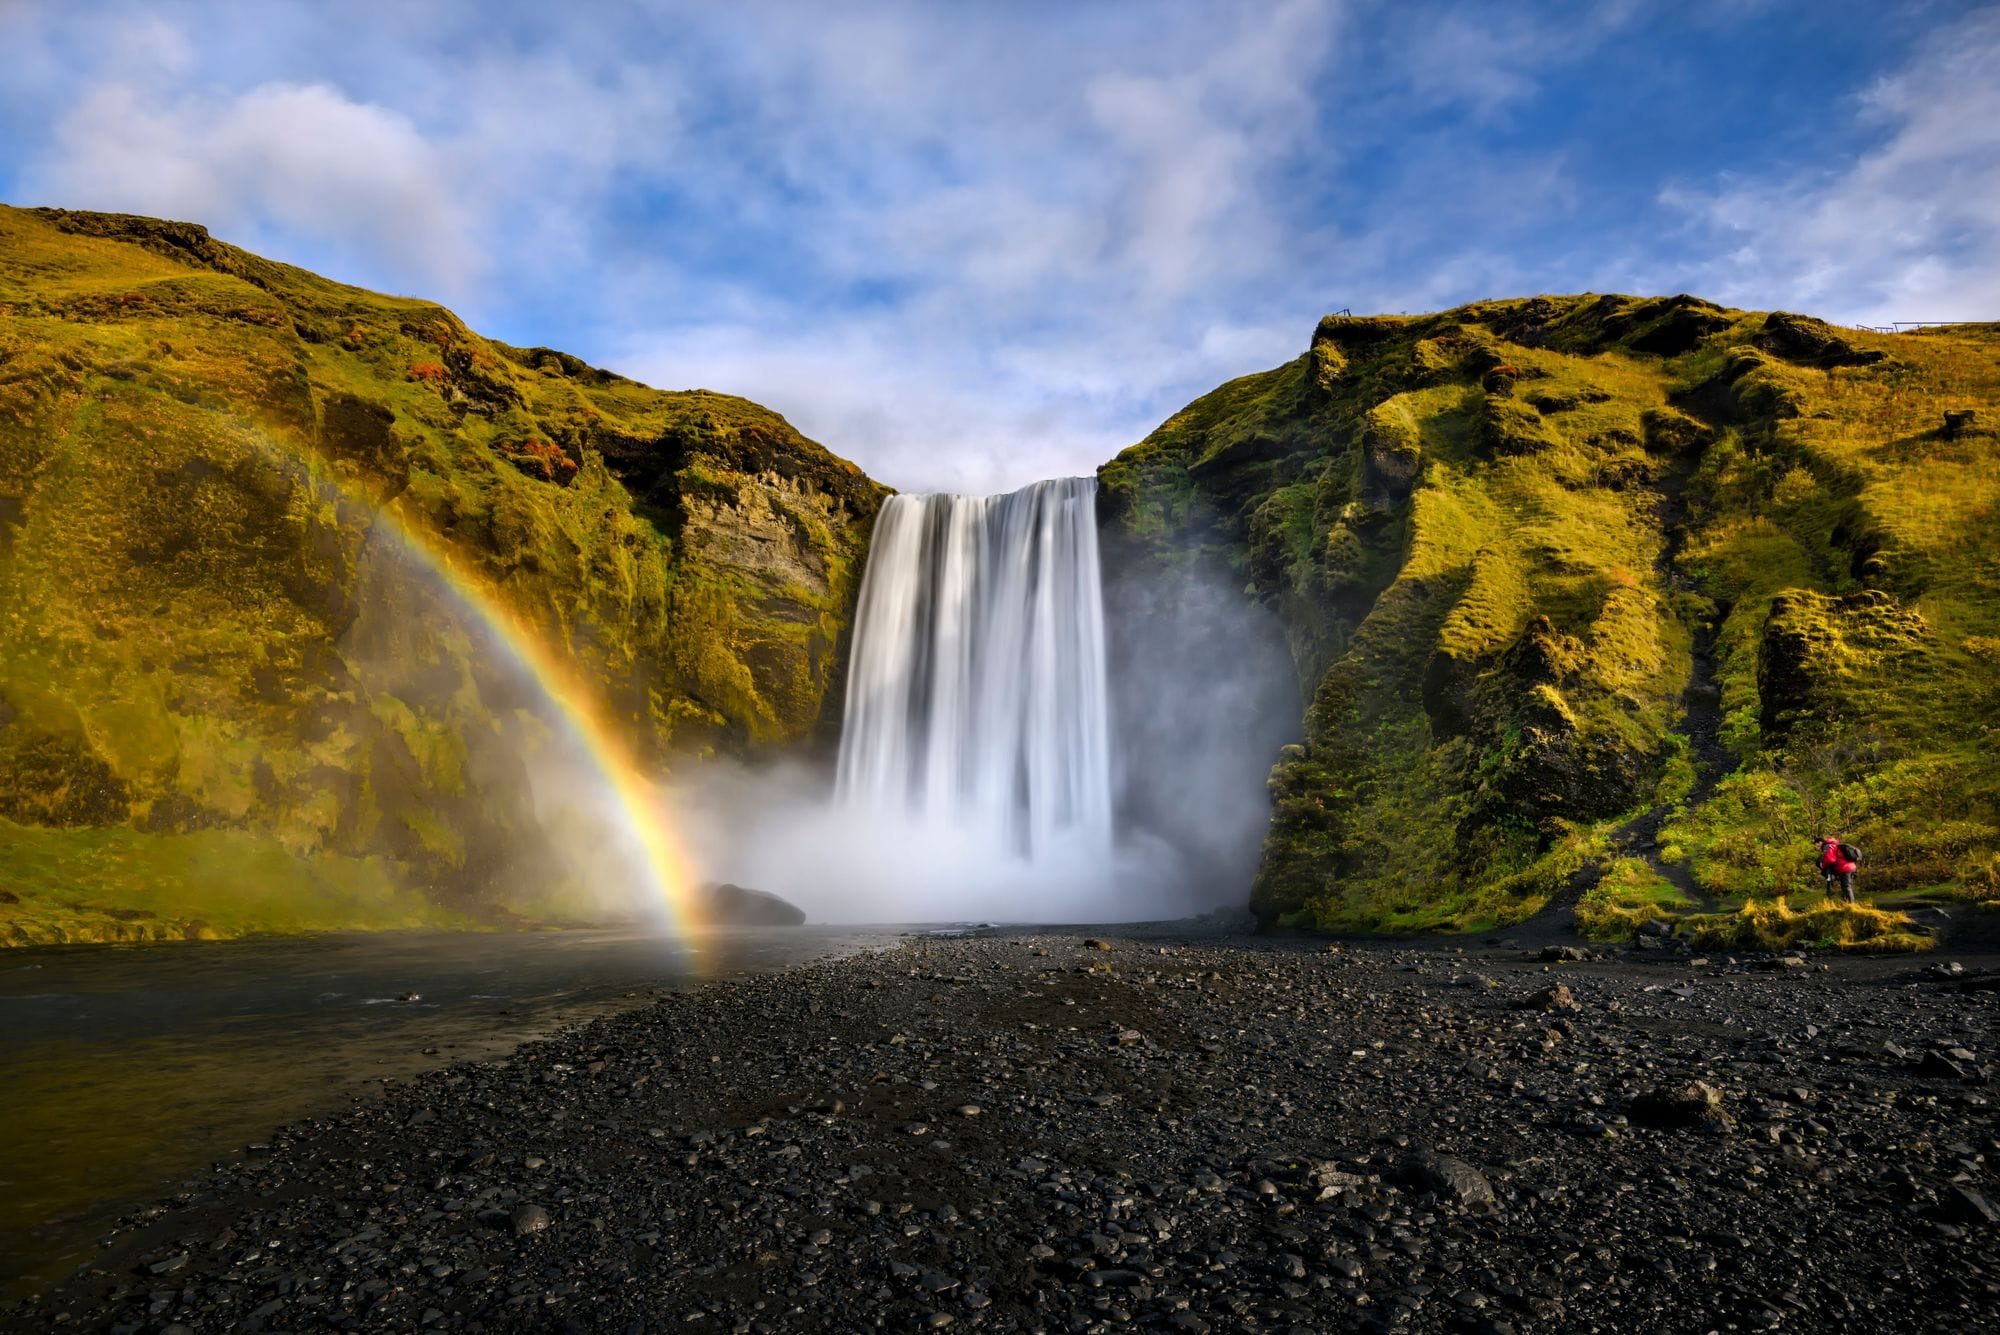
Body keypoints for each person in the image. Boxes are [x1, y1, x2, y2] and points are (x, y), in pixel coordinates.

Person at [1815, 835, 1860, 903]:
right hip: (1852, 866)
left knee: (1846, 887)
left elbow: (1830, 860)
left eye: (1816, 845)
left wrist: (1823, 865)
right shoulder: (1835, 845)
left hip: (1844, 868)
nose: (1817, 847)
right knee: (1848, 887)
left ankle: (1851, 907)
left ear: (1820, 842)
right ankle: (1848, 905)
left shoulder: (1827, 846)